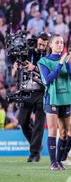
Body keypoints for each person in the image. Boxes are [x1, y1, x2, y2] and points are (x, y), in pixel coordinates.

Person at [38, 34, 71, 171]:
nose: (60, 45)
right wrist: (60, 64)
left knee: (64, 132)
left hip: (66, 98)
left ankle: (60, 161)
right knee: (53, 131)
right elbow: (48, 79)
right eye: (57, 42)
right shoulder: (44, 61)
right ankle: (53, 162)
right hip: (52, 98)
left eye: (61, 42)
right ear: (51, 45)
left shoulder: (67, 59)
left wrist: (68, 63)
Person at [13, 32, 49, 162]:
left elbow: (50, 72)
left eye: (44, 45)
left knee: (39, 124)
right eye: (39, 44)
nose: (41, 47)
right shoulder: (28, 52)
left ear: (48, 44)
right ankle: (37, 146)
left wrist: (34, 68)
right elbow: (18, 64)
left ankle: (34, 153)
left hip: (42, 91)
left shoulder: (49, 56)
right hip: (26, 90)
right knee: (22, 121)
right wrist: (15, 67)